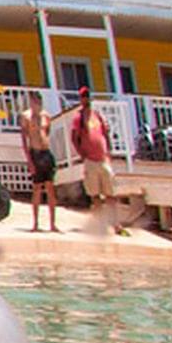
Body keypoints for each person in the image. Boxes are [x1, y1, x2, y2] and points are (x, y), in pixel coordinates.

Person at [69, 86, 125, 235]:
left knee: (110, 194)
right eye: (83, 96)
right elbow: (74, 138)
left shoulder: (98, 115)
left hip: (103, 159)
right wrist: (82, 154)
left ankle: (116, 224)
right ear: (80, 99)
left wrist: (109, 151)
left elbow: (105, 134)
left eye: (88, 96)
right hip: (90, 160)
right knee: (95, 195)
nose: (86, 99)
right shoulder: (78, 118)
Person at [19, 90, 58, 231]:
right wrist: (29, 160)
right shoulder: (26, 117)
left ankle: (53, 224)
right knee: (36, 188)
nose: (36, 103)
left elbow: (47, 132)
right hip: (35, 153)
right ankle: (35, 223)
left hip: (46, 152)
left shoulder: (46, 116)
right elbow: (24, 139)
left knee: (50, 188)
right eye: (34, 100)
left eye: (38, 101)